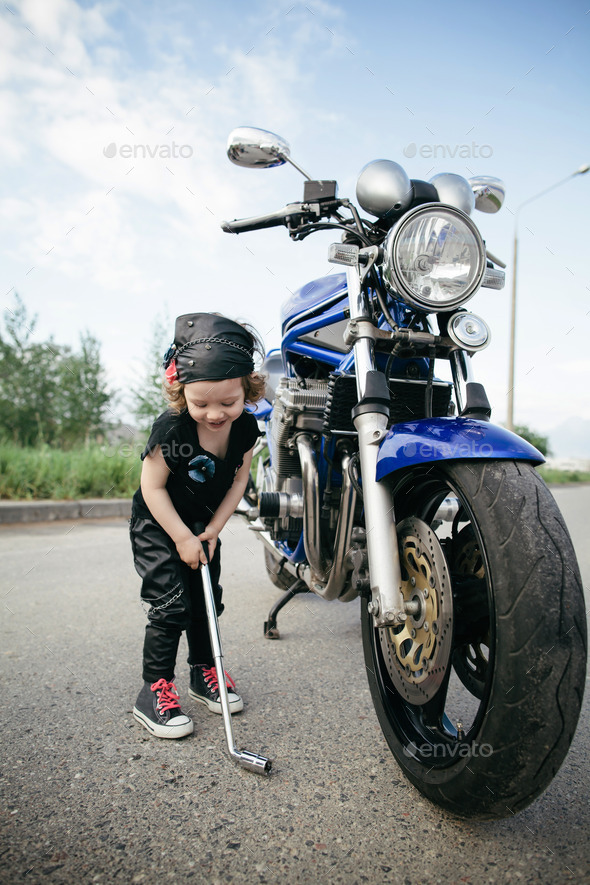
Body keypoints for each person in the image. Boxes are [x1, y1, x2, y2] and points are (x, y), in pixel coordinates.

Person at [130, 312, 265, 738]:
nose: (214, 414)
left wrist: (212, 530)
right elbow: (152, 489)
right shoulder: (172, 429)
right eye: (200, 404)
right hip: (160, 524)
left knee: (206, 601)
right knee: (171, 605)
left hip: (202, 528)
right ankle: (155, 691)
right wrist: (182, 537)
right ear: (181, 391)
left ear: (248, 388)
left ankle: (203, 672)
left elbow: (240, 478)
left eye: (228, 402)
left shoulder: (245, 429)